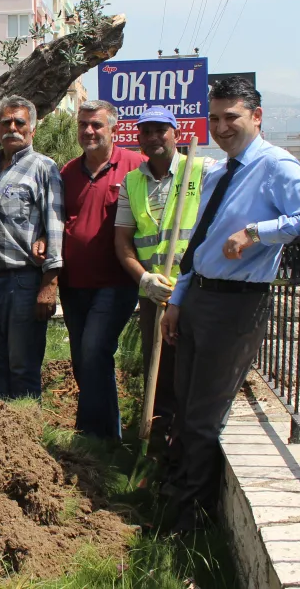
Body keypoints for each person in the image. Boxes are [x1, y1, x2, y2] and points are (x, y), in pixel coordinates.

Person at [161, 76, 300, 533]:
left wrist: (256, 233)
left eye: (231, 117)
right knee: (184, 405)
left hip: (236, 306)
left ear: (256, 117)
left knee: (204, 416)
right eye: (214, 118)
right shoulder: (219, 171)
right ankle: (174, 494)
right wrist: (178, 300)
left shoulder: (275, 165)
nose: (221, 127)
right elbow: (200, 243)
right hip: (199, 298)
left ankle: (191, 523)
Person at [114, 107, 209, 450]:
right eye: (146, 131)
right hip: (156, 293)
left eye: (160, 130)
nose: (153, 137)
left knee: (194, 368)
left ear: (175, 134)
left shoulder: (201, 171)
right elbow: (123, 241)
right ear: (138, 137)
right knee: (159, 370)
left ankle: (191, 444)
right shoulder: (132, 182)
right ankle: (157, 444)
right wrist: (144, 281)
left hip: (196, 291)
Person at [0, 95, 64, 398]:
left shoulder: (43, 168)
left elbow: (55, 228)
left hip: (21, 283)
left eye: (20, 122)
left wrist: (49, 285)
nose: (13, 128)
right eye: (6, 122)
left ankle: (24, 426)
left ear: (33, 128)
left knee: (22, 365)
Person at [59, 99, 145, 440]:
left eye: (96, 125)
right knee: (82, 358)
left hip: (115, 282)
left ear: (113, 129)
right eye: (83, 125)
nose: (89, 131)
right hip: (73, 284)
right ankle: (106, 433)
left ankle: (94, 435)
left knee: (95, 350)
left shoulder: (136, 167)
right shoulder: (68, 172)